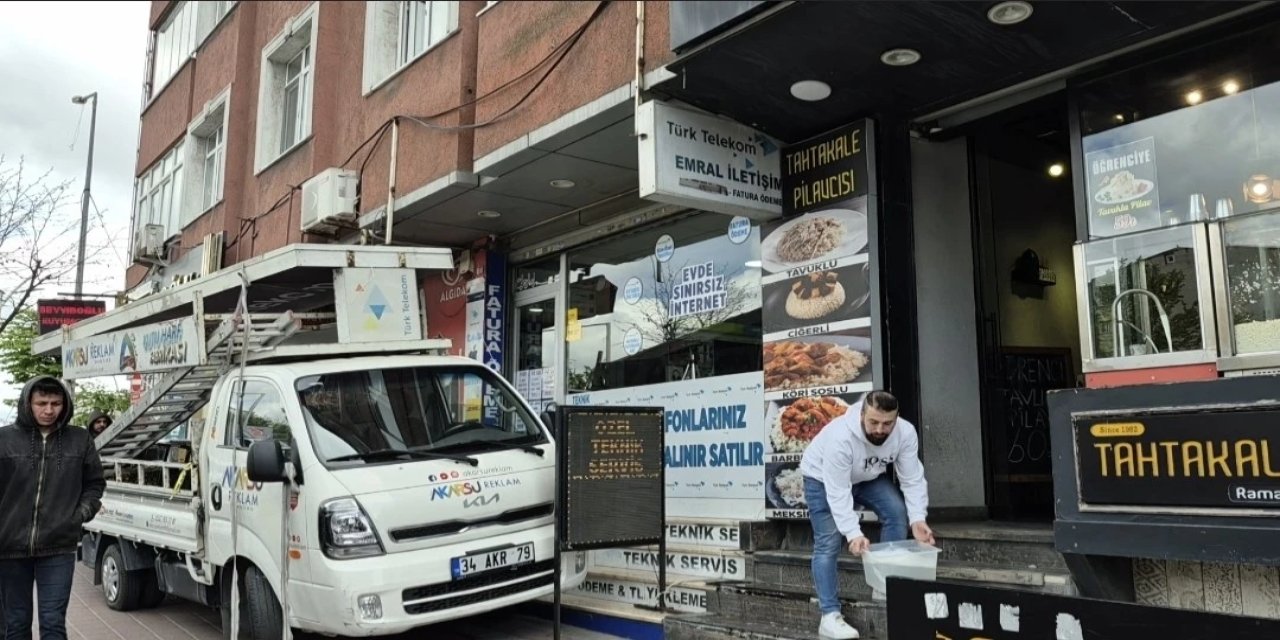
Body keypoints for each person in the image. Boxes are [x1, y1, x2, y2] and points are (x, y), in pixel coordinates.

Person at [799, 390, 934, 640]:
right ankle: (829, 616)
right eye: (873, 422)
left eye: (887, 423)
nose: (880, 429)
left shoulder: (905, 432)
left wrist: (918, 518)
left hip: (866, 476)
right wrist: (853, 534)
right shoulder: (840, 437)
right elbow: (838, 492)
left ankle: (884, 584)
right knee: (828, 542)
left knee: (896, 513)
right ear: (862, 414)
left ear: (896, 418)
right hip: (821, 478)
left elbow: (912, 477)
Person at [0, 376, 106, 640]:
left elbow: (94, 484)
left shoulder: (80, 440)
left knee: (53, 623)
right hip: (9, 548)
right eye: (42, 403)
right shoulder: (4, 440)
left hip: (59, 546)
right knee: (15, 624)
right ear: (28, 403)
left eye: (56, 403)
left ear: (65, 404)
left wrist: (79, 515)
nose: (49, 410)